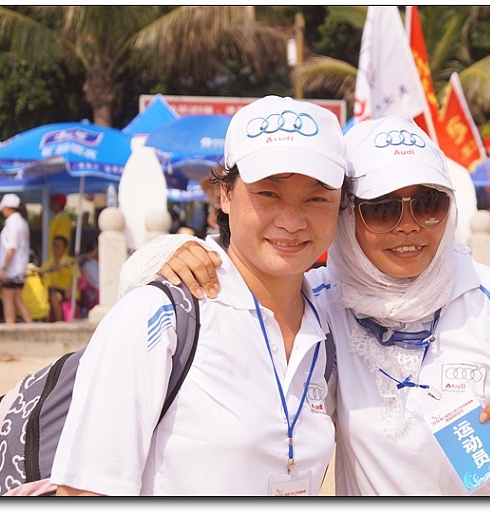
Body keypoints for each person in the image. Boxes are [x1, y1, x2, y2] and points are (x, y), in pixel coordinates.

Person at [133, 116, 490, 496]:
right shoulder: (320, 304)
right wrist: (169, 253)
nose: (409, 226)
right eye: (383, 209)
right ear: (347, 214)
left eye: (428, 204)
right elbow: (232, 281)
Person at [50, 95, 349, 496]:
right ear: (225, 194)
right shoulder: (160, 316)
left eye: (316, 197)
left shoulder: (331, 325)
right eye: (268, 193)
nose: (292, 221)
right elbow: (85, 491)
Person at [0, 193, 33, 324]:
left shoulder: (12, 223)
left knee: (8, 301)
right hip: (21, 268)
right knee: (18, 300)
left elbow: (11, 248)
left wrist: (3, 268)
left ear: (8, 208)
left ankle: (9, 328)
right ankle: (31, 327)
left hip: (11, 269)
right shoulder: (22, 222)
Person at [40, 235, 78, 322]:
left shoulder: (70, 261)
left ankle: (59, 321)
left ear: (64, 248)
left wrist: (71, 287)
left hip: (66, 290)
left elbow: (78, 278)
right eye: (54, 245)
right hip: (50, 289)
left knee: (54, 297)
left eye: (58, 245)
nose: (55, 248)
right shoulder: (47, 263)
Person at [47, 193, 72, 259]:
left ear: (58, 204)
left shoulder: (63, 220)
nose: (50, 203)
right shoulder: (54, 219)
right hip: (50, 258)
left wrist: (57, 260)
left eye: (53, 201)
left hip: (57, 260)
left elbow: (61, 242)